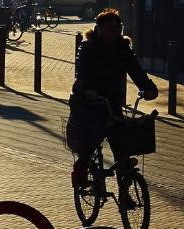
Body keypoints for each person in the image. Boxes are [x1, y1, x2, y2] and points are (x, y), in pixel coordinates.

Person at [66, 8, 158, 204]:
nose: (113, 31)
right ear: (99, 29)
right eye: (109, 28)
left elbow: (136, 71)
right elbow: (81, 74)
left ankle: (124, 193)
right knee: (91, 137)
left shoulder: (123, 49)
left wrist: (149, 88)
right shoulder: (88, 47)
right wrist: (87, 91)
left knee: (122, 146)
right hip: (88, 102)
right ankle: (83, 167)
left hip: (112, 103)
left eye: (117, 27)